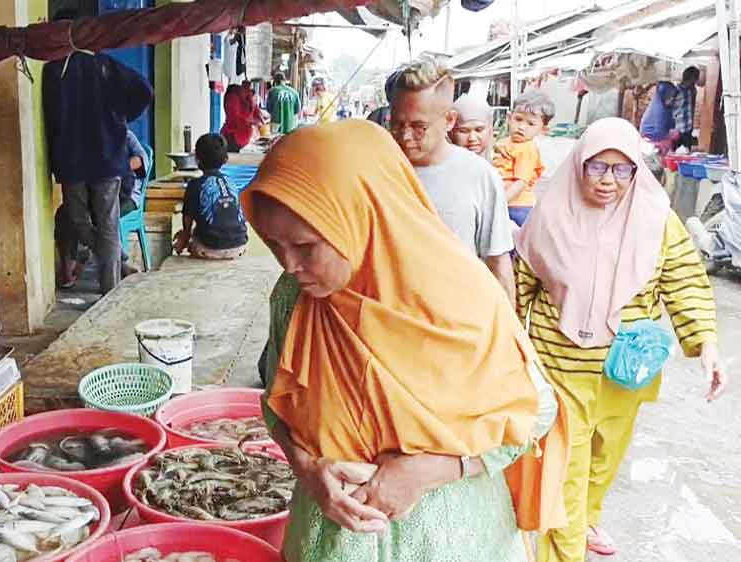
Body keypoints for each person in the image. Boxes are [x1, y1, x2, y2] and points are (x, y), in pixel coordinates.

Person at [248, 120, 568, 562]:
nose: (289, 265)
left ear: (363, 216)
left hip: (450, 538)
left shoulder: (457, 291)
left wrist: (435, 469)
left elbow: (535, 411)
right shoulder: (295, 299)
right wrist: (309, 471)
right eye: (273, 244)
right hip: (333, 540)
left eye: (305, 246)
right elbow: (276, 402)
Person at [515, 118, 727, 562]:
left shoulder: (657, 220)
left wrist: (705, 342)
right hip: (561, 368)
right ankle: (564, 550)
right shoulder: (550, 212)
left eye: (621, 169)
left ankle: (588, 516)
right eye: (597, 167)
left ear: (636, 171)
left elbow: (684, 280)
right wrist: (511, 355)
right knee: (565, 474)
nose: (608, 180)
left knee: (604, 457)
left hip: (627, 369)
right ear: (580, 165)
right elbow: (519, 286)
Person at [388, 58, 516, 306]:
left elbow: (498, 264)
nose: (405, 136)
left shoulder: (479, 176)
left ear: (449, 121)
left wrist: (509, 337)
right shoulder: (381, 169)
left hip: (457, 325)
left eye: (419, 126)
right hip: (392, 323)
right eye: (396, 123)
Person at [43, 9, 153, 294]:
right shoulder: (60, 68)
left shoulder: (95, 66)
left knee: (98, 224)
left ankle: (110, 289)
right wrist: (121, 116)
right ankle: (111, 262)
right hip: (84, 161)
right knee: (86, 224)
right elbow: (143, 92)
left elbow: (144, 91)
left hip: (92, 161)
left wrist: (120, 118)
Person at [56, 129, 150, 287]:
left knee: (103, 220)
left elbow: (142, 159)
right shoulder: (80, 137)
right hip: (92, 195)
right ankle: (69, 267)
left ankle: (114, 268)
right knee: (65, 215)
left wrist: (115, 165)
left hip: (125, 194)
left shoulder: (122, 132)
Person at [172, 133, 248, 260]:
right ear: (226, 159)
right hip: (240, 246)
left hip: (209, 249)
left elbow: (187, 225)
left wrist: (183, 240)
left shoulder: (194, 185)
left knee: (190, 241)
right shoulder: (232, 183)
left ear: (197, 159)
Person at [493, 90, 554, 227]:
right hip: (505, 201)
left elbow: (521, 182)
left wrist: (500, 202)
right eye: (518, 119)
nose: (521, 127)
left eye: (531, 124)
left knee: (520, 241)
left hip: (517, 206)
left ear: (543, 129)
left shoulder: (527, 149)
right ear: (509, 117)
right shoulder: (506, 142)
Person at [639, 81, 681, 153]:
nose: (672, 99)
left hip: (662, 137)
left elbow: (671, 124)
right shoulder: (658, 109)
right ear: (663, 94)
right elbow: (659, 131)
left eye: (673, 97)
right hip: (651, 139)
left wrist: (673, 132)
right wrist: (670, 134)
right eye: (669, 96)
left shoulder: (667, 108)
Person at [450, 93, 495, 160]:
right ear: (451, 133)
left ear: (490, 130)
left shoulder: (502, 163)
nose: (472, 138)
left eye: (479, 130)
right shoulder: (441, 167)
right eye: (464, 131)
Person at [222, 83, 263, 152]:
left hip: (240, 138)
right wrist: (252, 121)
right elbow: (233, 117)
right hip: (233, 138)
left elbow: (256, 112)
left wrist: (260, 120)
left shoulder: (249, 97)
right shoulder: (233, 96)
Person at [673, 66, 701, 150]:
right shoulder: (675, 90)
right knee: (673, 155)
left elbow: (691, 108)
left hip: (687, 129)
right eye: (696, 78)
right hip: (676, 129)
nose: (696, 81)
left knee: (686, 155)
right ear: (692, 78)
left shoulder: (692, 91)